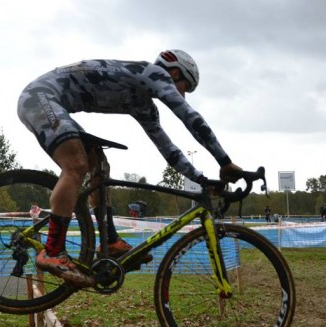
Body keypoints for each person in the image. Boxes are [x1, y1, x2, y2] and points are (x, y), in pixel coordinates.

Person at [17, 49, 242, 286]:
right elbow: (188, 116)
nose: (183, 95)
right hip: (39, 97)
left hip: (51, 102)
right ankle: (52, 250)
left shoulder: (143, 104)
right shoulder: (154, 73)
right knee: (76, 165)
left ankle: (110, 241)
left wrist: (202, 180)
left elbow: (168, 149)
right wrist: (224, 161)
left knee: (100, 167)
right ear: (175, 72)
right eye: (185, 87)